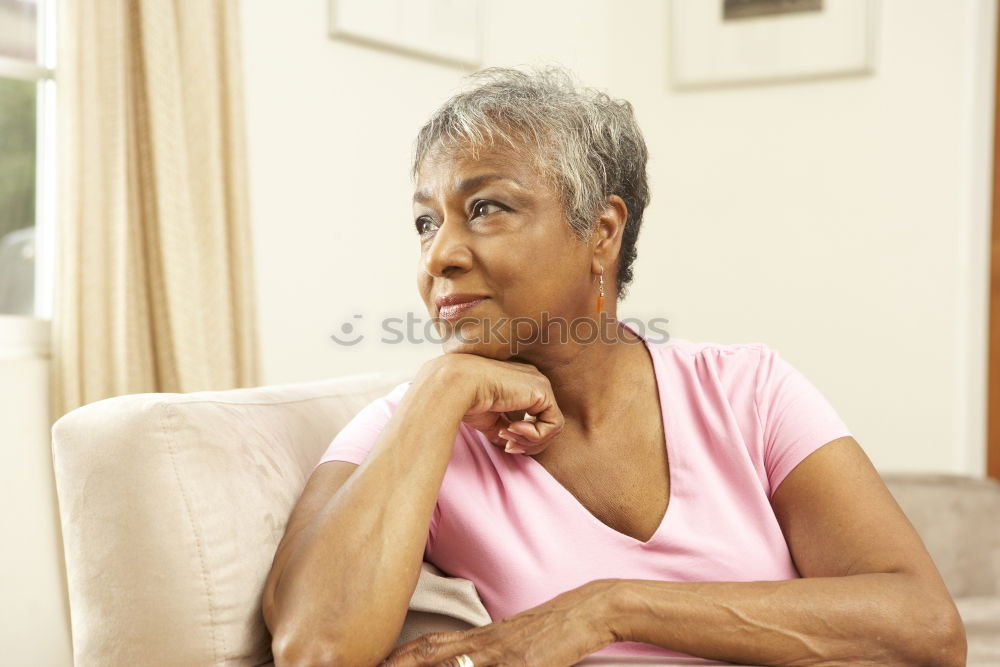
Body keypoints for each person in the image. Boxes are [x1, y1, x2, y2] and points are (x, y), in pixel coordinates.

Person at [262, 67, 966, 666]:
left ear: (601, 230)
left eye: (485, 208)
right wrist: (441, 387)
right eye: (425, 221)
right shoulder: (413, 427)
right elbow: (316, 648)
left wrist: (609, 607)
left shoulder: (750, 390)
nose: (437, 255)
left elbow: (925, 628)